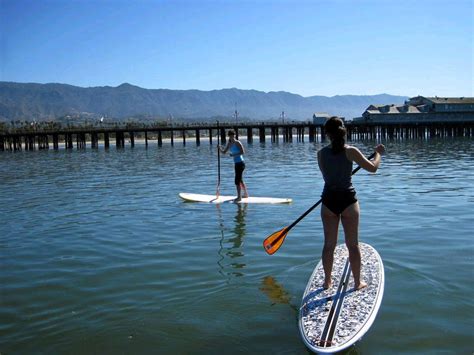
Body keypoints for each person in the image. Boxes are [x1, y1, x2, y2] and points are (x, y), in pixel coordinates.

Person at [317, 117, 385, 290]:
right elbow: (373, 168)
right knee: (352, 245)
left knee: (328, 245)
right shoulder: (351, 151)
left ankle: (327, 282)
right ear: (343, 132)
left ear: (327, 134)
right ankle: (357, 283)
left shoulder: (321, 154)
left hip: (328, 200)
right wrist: (378, 153)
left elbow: (328, 176)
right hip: (347, 200)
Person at [219, 130, 248, 202]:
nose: (232, 136)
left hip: (241, 163)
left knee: (237, 181)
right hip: (236, 163)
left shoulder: (237, 142)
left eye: (233, 135)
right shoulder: (229, 144)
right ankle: (246, 194)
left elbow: (242, 152)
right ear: (228, 136)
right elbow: (224, 152)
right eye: (230, 135)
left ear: (234, 135)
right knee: (240, 180)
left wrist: (234, 155)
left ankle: (239, 197)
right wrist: (219, 148)